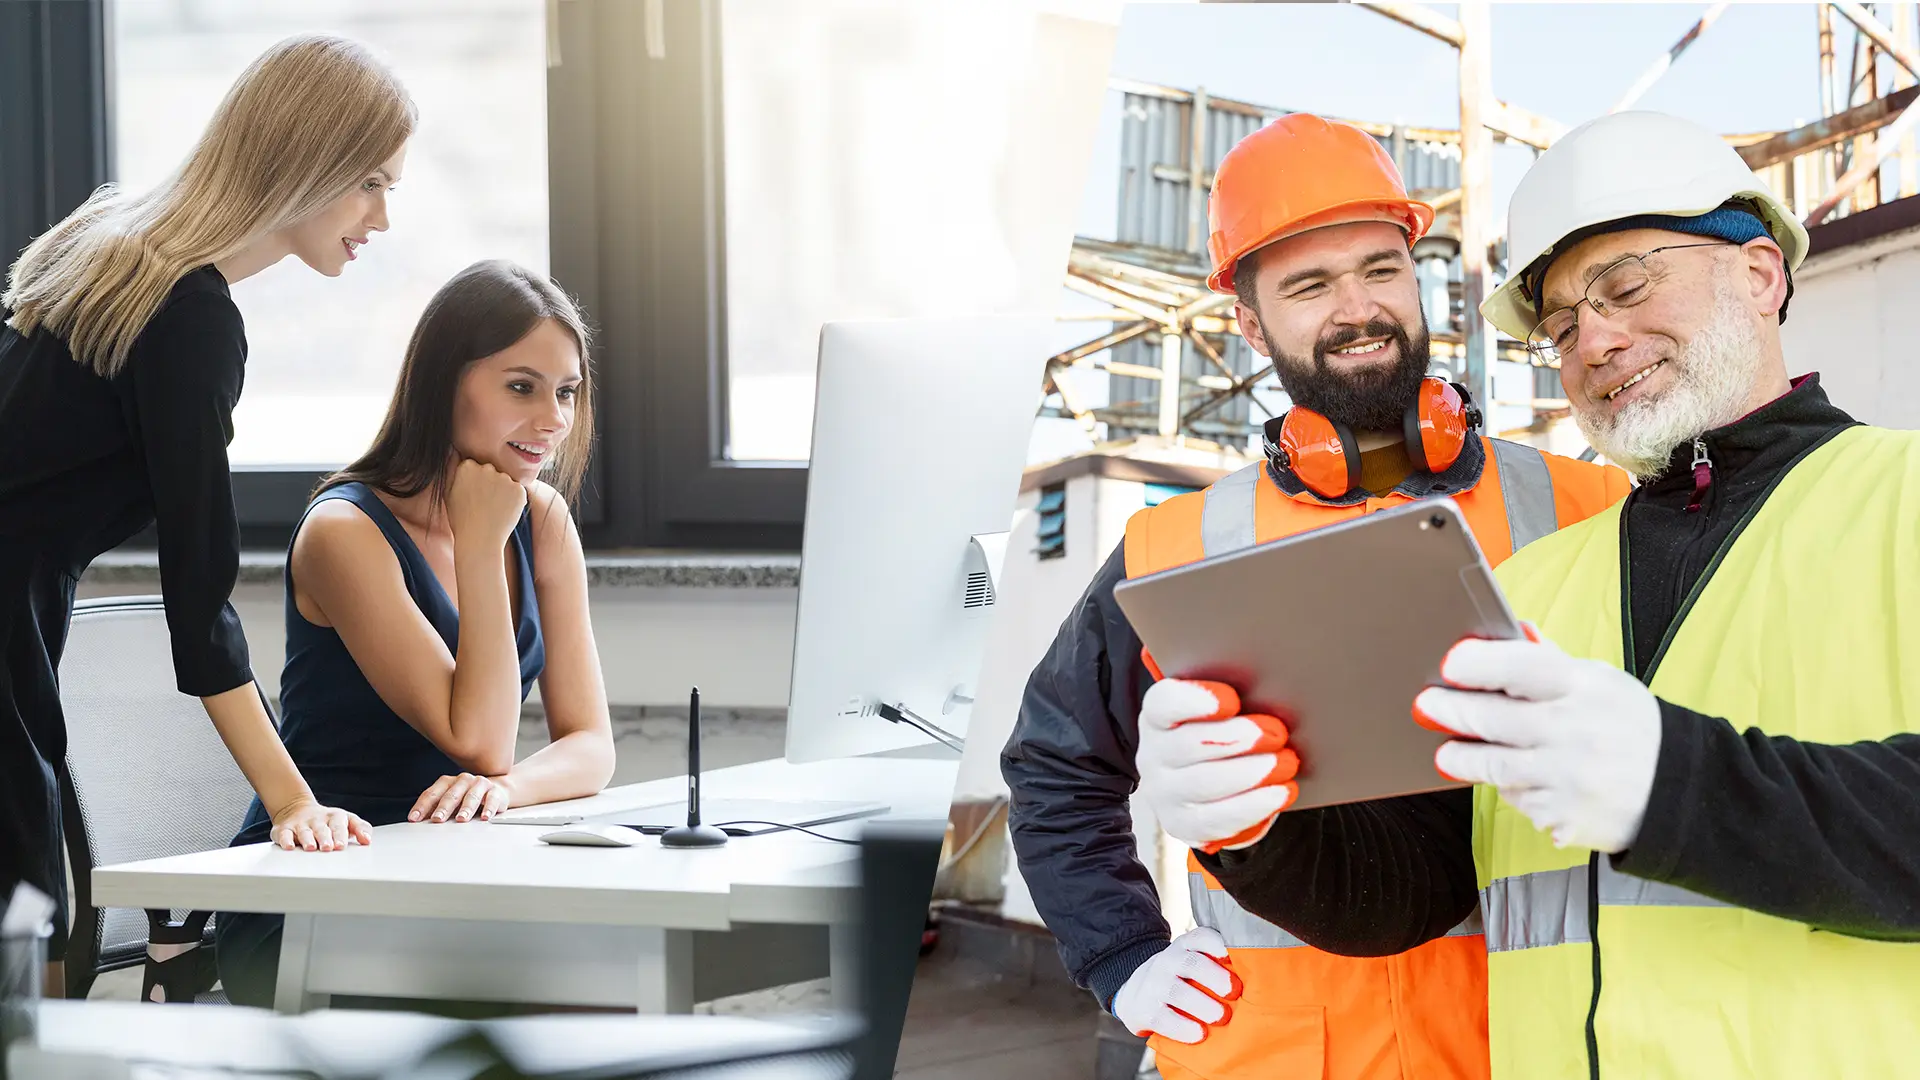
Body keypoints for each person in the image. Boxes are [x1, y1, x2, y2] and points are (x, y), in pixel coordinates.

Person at [1194, 109, 1920, 1079]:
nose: (1596, 342)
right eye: (1562, 326)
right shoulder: (1531, 583)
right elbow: (1420, 885)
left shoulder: (1905, 501)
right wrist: (1251, 826)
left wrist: (1675, 786)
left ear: (1759, 273)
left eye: (1624, 284)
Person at [1000, 113, 1631, 1080]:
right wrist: (1118, 954)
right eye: (1309, 284)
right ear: (1249, 322)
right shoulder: (1172, 546)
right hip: (1277, 1055)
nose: (1360, 307)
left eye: (1381, 268)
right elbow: (1056, 766)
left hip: (1529, 1047)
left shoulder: (1589, 505)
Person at [0, 34, 414, 997]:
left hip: (19, 618)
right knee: (23, 926)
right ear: (304, 160)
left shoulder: (111, 249)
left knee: (31, 917)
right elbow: (201, 600)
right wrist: (292, 802)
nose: (382, 217)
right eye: (368, 183)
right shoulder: (187, 314)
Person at [212, 259, 617, 1008]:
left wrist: (500, 793)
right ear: (444, 383)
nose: (554, 418)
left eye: (566, 391)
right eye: (520, 386)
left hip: (445, 868)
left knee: (609, 971)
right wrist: (478, 538)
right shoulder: (345, 533)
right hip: (314, 891)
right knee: (553, 992)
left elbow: (591, 746)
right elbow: (480, 737)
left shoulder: (544, 522)